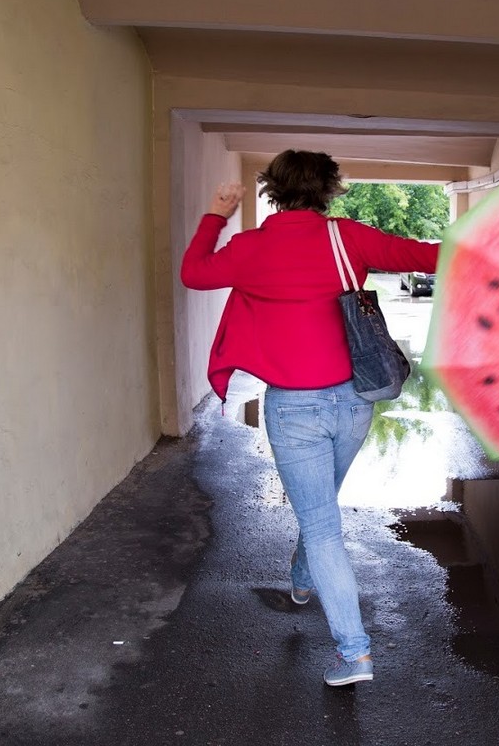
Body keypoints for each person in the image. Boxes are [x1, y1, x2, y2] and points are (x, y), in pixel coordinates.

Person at [180, 150, 439, 686]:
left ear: (272, 188)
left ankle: (355, 653)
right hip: (355, 400)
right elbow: (432, 256)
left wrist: (216, 216)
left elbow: (193, 273)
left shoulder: (250, 248)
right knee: (320, 509)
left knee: (321, 524)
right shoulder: (350, 238)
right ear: (329, 188)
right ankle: (302, 576)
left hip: (294, 408)